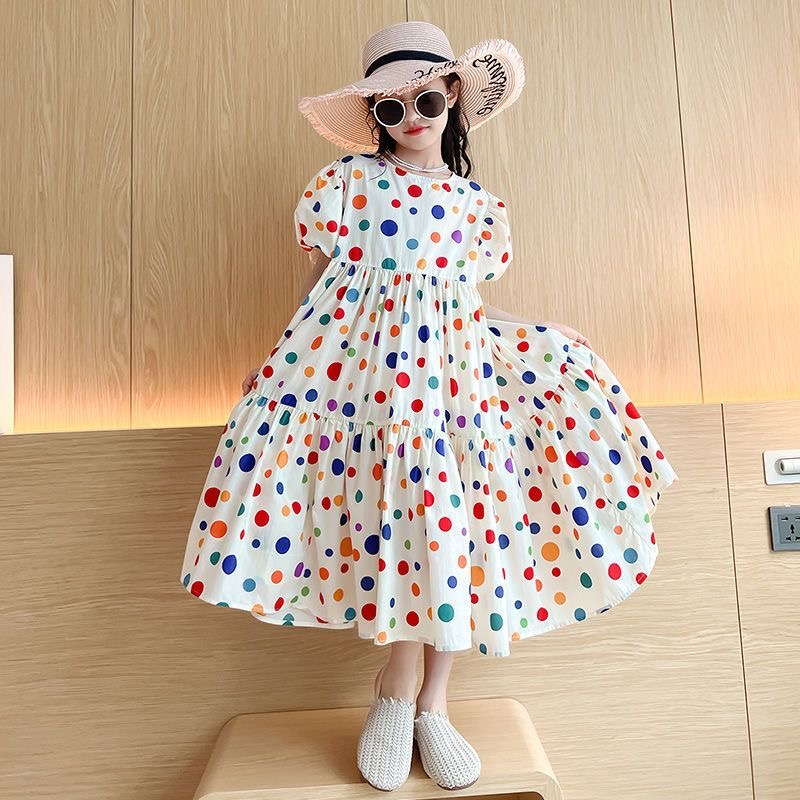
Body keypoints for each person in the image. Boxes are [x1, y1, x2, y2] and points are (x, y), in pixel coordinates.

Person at [179, 20, 679, 793]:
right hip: (374, 381)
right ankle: (397, 688)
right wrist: (280, 361)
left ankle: (431, 704)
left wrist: (540, 331)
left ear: (453, 98)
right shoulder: (347, 185)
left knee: (457, 523)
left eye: (426, 101)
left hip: (456, 381)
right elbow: (321, 292)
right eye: (390, 108)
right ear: (373, 117)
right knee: (404, 520)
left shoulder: (475, 206)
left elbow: (463, 302)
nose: (411, 118)